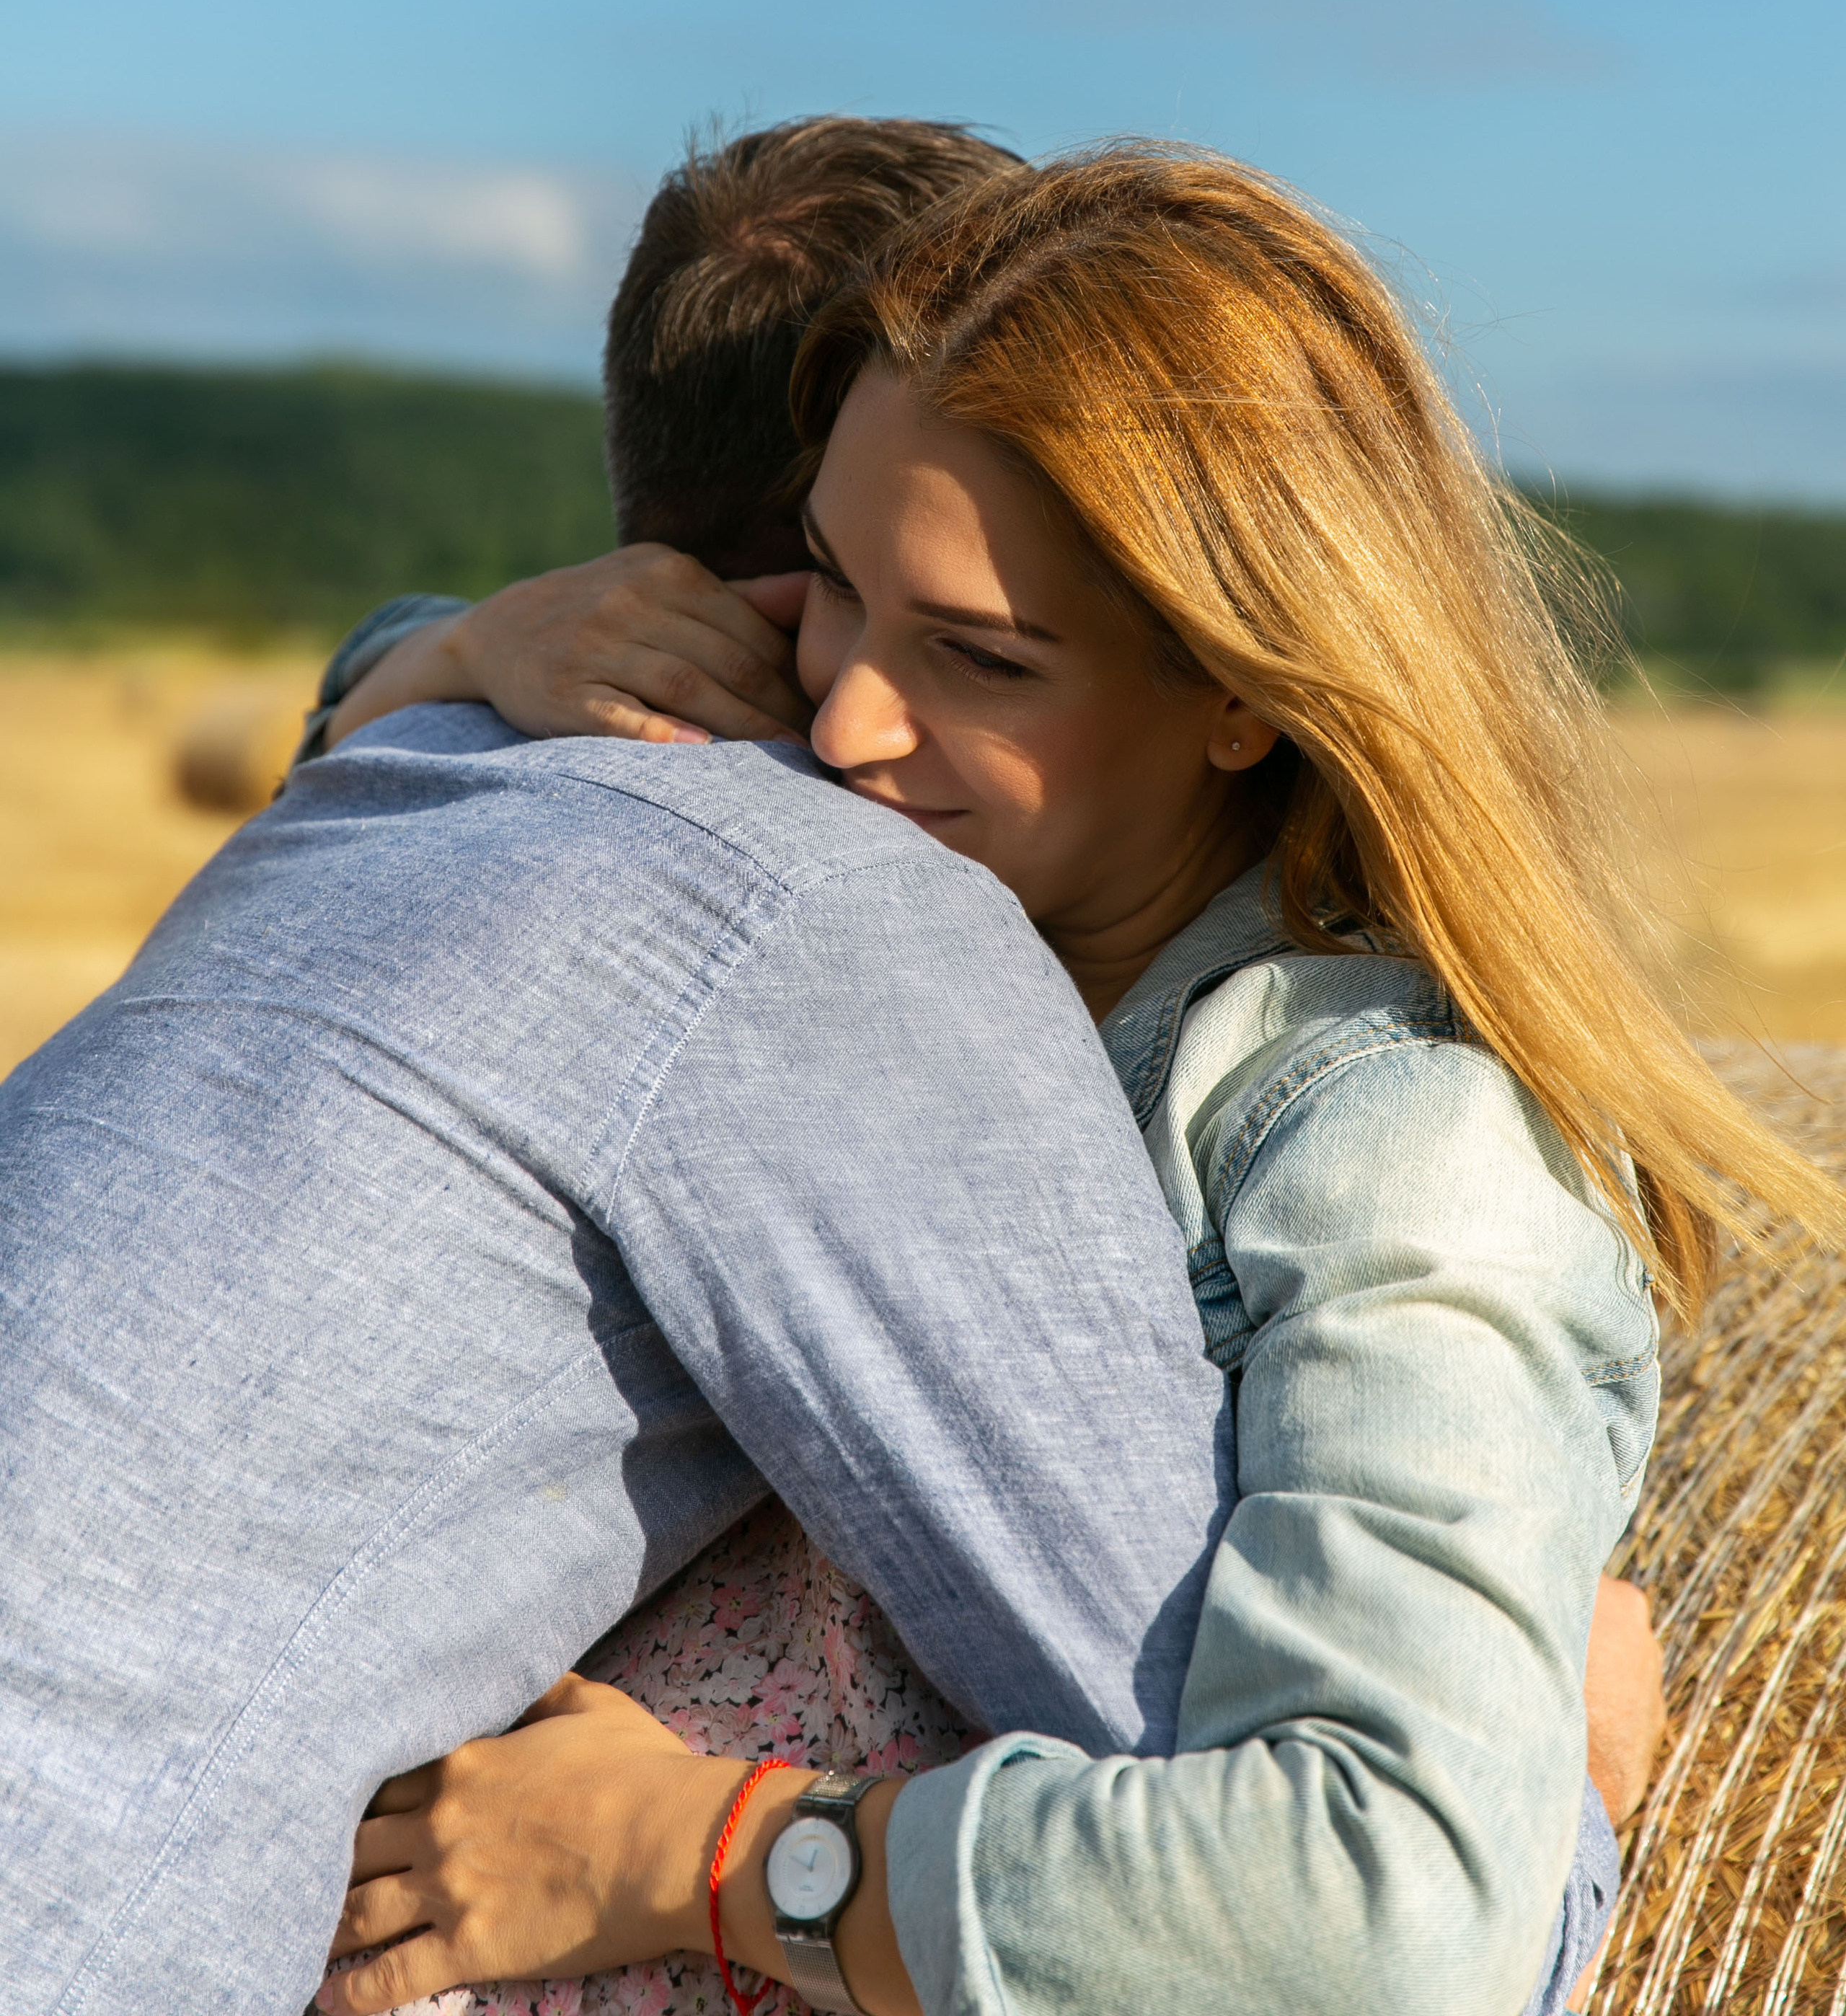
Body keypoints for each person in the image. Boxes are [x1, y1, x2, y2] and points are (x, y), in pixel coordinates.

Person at [306, 134, 1807, 2016]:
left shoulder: (1393, 1151)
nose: (846, 717)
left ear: (1250, 685)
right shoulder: (874, 848)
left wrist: (684, 1856)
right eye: (832, 586)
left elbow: (1390, 1910)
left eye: (983, 659)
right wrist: (444, 653)